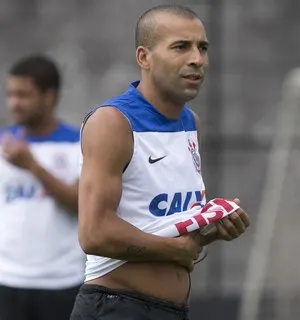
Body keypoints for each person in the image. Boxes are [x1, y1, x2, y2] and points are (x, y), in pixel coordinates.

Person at [71, 4, 250, 320]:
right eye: (181, 47)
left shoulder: (189, 121)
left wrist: (211, 231)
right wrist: (176, 250)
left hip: (173, 310)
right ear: (144, 58)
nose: (197, 59)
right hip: (116, 308)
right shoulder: (113, 122)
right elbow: (94, 234)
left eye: (202, 48)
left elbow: (164, 228)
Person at [0, 55, 85, 320]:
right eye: (10, 94)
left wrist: (33, 167)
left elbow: (81, 205)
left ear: (49, 96)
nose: (14, 103)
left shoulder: (78, 144)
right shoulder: (2, 143)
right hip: (7, 278)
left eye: (24, 95)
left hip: (62, 281)